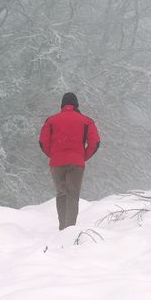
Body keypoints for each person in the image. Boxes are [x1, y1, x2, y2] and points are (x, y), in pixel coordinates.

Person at [38, 91, 101, 230]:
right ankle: (70, 228)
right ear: (76, 105)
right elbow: (95, 142)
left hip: (56, 163)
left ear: (62, 105)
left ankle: (62, 227)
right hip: (76, 163)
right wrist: (83, 156)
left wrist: (54, 155)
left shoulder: (51, 120)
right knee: (73, 195)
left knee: (61, 193)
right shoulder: (86, 121)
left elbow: (43, 141)